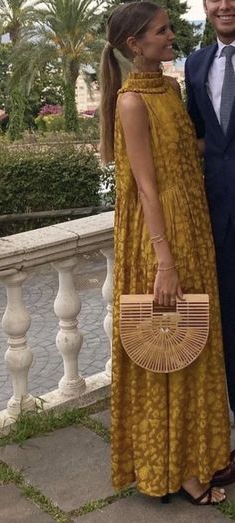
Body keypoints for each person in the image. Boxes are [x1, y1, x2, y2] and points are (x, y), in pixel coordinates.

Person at [99, 1, 230, 504]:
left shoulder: (171, 89)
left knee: (194, 342)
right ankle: (175, 471)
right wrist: (165, 261)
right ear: (135, 45)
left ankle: (195, 457)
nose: (172, 35)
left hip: (192, 228)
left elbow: (188, 148)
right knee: (167, 350)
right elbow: (147, 189)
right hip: (161, 236)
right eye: (162, 30)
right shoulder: (131, 102)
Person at [185, 0, 235, 487]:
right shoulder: (197, 64)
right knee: (231, 330)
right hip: (217, 220)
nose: (225, 4)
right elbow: (197, 138)